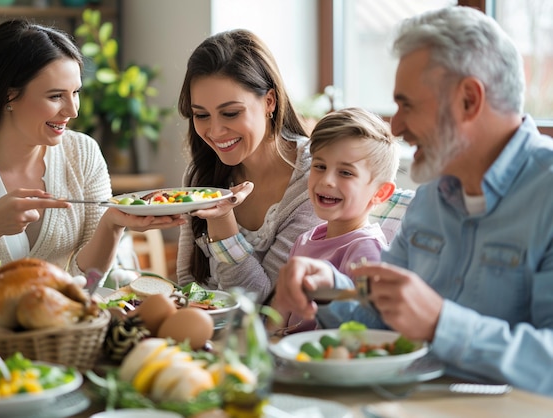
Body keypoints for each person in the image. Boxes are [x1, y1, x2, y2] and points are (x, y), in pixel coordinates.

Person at [273, 6, 553, 396]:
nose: (397, 126)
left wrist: (442, 323)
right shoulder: (430, 201)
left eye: (408, 105)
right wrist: (330, 289)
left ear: (469, 100)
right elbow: (380, 321)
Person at [0, 20, 184, 287]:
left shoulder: (83, 153)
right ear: (8, 97)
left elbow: (88, 281)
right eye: (55, 96)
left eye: (76, 93)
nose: (73, 110)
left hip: (60, 323)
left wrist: (112, 224)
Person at [175, 29, 322, 304]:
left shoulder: (314, 178)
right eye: (201, 115)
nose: (215, 131)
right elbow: (188, 283)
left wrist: (221, 220)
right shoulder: (201, 174)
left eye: (231, 113)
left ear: (269, 101)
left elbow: (264, 305)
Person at [269, 107, 399, 334]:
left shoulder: (367, 251)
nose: (327, 180)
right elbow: (282, 314)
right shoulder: (305, 239)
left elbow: (360, 329)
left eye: (346, 173)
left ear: (380, 193)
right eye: (320, 166)